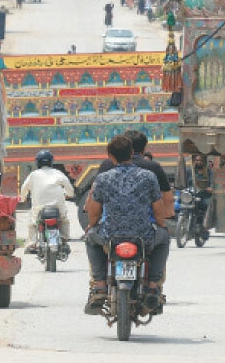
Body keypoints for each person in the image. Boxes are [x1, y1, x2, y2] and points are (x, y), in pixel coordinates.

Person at [83, 135, 170, 315]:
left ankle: (99, 287)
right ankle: (153, 287)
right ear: (132, 153)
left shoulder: (103, 178)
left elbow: (94, 211)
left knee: (90, 237)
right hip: (143, 236)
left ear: (110, 155)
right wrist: (162, 226)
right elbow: (158, 208)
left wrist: (91, 226)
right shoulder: (149, 176)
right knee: (164, 239)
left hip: (110, 237)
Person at [19, 150, 75, 253]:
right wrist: (70, 194)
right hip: (57, 207)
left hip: (39, 208)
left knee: (32, 223)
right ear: (51, 162)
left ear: (38, 162)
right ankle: (63, 240)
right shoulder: (58, 173)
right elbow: (69, 189)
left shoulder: (33, 175)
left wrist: (22, 198)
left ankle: (32, 244)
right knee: (64, 220)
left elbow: (24, 188)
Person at [187, 154, 213, 238]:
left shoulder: (208, 171)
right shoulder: (190, 172)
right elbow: (186, 183)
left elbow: (212, 183)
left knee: (208, 205)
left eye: (200, 160)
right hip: (192, 195)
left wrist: (210, 188)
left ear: (203, 162)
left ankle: (205, 227)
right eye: (196, 160)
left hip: (204, 195)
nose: (198, 162)